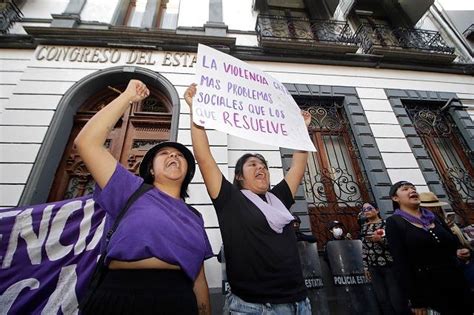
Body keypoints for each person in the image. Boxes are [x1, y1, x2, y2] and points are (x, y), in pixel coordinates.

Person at [75, 80, 213, 314]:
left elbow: (199, 276)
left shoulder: (195, 216)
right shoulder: (129, 189)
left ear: (187, 172)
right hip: (120, 297)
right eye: (165, 153)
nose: (173, 156)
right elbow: (87, 143)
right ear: (150, 169)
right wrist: (127, 97)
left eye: (180, 155)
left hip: (179, 300)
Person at [185, 83, 312, 314]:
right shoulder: (229, 199)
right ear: (239, 177)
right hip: (253, 307)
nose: (261, 168)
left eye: (263, 165)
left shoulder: (279, 198)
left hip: (299, 304)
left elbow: (297, 168)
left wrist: (302, 130)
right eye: (253, 164)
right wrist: (196, 112)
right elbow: (203, 157)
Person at [386, 181, 472, 315]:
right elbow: (401, 263)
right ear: (395, 198)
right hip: (428, 289)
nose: (412, 191)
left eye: (414, 188)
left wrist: (461, 251)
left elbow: (453, 243)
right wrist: (416, 300)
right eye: (405, 189)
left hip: (457, 283)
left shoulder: (434, 218)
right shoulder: (394, 222)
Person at [360, 202, 410, 315]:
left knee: (397, 299)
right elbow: (364, 248)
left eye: (369, 208)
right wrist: (366, 267)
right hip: (374, 268)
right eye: (364, 210)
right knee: (382, 300)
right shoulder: (364, 227)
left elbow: (395, 245)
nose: (366, 211)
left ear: (377, 210)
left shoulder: (386, 224)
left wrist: (381, 240)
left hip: (389, 266)